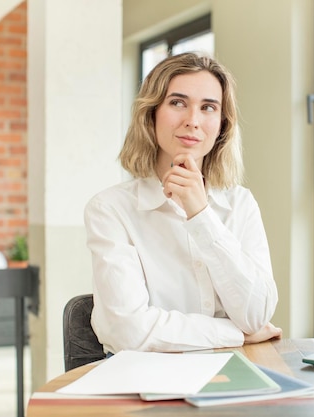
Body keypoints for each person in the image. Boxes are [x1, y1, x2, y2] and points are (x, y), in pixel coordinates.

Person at [84, 52, 282, 355]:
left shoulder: (241, 204)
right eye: (177, 103)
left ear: (221, 125)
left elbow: (256, 315)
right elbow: (128, 332)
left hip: (233, 376)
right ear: (151, 113)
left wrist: (201, 214)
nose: (192, 121)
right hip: (144, 382)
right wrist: (235, 334)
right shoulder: (110, 209)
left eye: (208, 107)